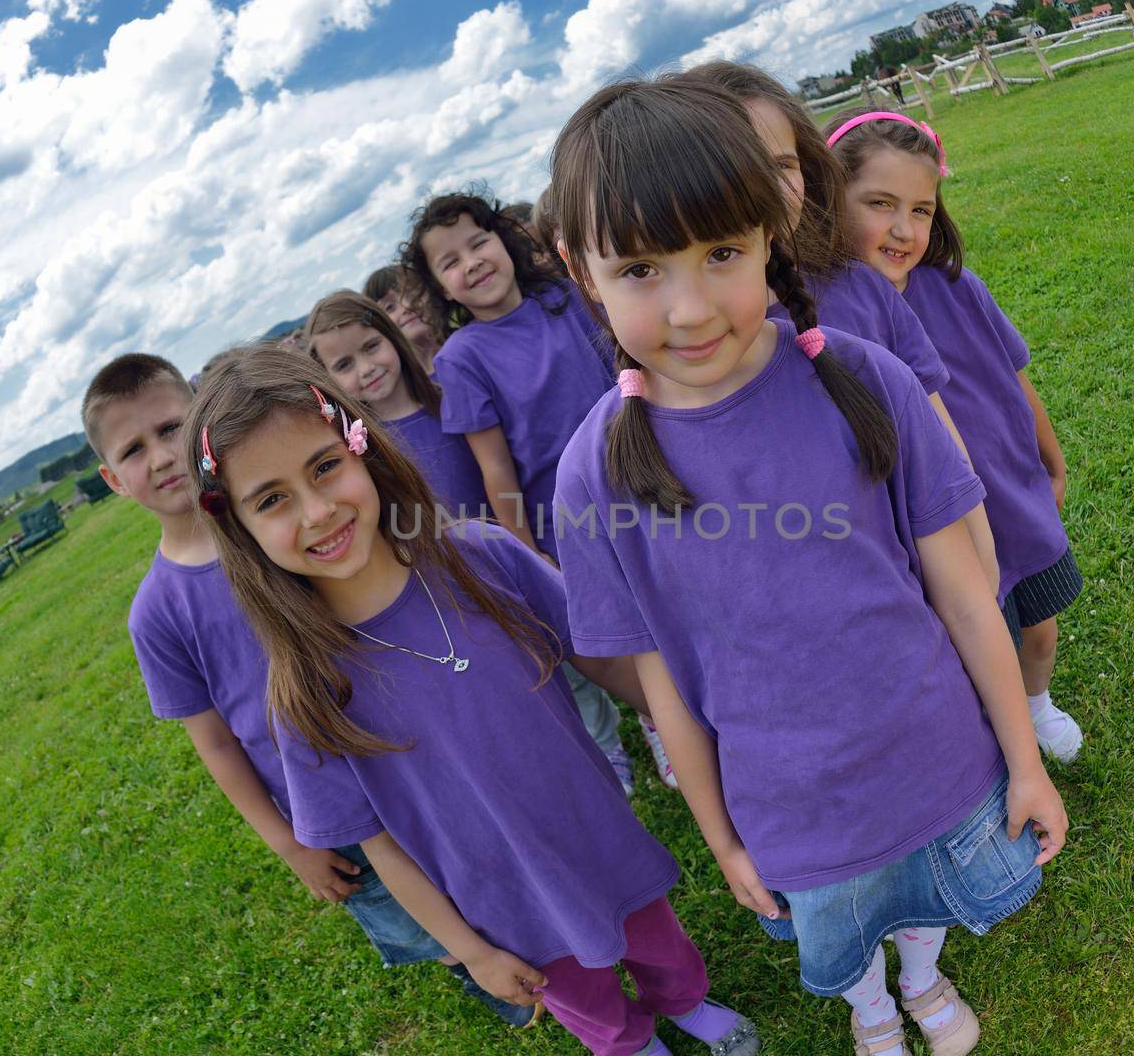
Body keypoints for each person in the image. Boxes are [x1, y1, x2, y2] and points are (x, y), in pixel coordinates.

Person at [549, 77, 1068, 1056]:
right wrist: (721, 835)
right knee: (844, 923)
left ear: (771, 233)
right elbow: (659, 679)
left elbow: (961, 587)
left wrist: (1025, 756)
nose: (692, 307)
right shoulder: (594, 469)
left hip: (939, 751)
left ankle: (920, 971)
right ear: (582, 270)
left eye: (722, 253)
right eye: (641, 270)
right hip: (789, 803)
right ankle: (870, 1001)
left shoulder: (863, 378)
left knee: (924, 896)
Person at [184, 346, 756, 1056]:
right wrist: (469, 951)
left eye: (325, 466)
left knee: (658, 941)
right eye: (271, 499)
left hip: (596, 832)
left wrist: (711, 738)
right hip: (502, 902)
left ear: (361, 448)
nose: (317, 510)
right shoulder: (304, 695)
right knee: (583, 997)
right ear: (238, 526)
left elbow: (604, 659)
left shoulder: (481, 557)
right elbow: (382, 847)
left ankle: (687, 1001)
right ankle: (632, 1044)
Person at [79, 353, 533, 1026]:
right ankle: (470, 965)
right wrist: (289, 842)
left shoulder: (287, 530)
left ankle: (517, 942)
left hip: (400, 739)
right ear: (113, 478)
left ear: (203, 417)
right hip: (321, 797)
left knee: (465, 858)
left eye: (171, 427)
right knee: (396, 902)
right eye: (134, 450)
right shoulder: (157, 612)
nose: (162, 456)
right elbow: (215, 743)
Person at [681, 61, 999, 593]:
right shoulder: (692, 342)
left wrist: (985, 579)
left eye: (783, 164)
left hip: (945, 576)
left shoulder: (857, 288)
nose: (766, 186)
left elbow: (946, 451)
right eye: (741, 163)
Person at [401, 189, 679, 795]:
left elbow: (627, 370)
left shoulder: (565, 299)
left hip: (641, 480)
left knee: (674, 600)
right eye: (450, 261)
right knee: (621, 630)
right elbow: (495, 469)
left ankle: (703, 693)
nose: (471, 262)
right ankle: (658, 718)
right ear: (441, 289)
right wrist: (527, 555)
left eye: (479, 242)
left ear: (505, 241)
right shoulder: (461, 359)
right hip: (565, 524)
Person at [827, 111, 1085, 761]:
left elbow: (1015, 376)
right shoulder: (829, 320)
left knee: (1041, 629)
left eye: (920, 207)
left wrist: (1052, 464)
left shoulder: (958, 287)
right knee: (972, 642)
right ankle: (998, 736)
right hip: (940, 528)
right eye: (879, 204)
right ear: (831, 199)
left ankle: (1037, 704)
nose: (902, 229)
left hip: (1013, 495)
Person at [302, 290, 489, 517]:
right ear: (328, 378)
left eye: (371, 347)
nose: (366, 368)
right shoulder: (359, 450)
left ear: (391, 337)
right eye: (344, 365)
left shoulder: (452, 392)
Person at [363, 264, 440, 372]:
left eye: (413, 296)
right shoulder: (398, 384)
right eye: (390, 307)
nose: (407, 306)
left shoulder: (465, 344)